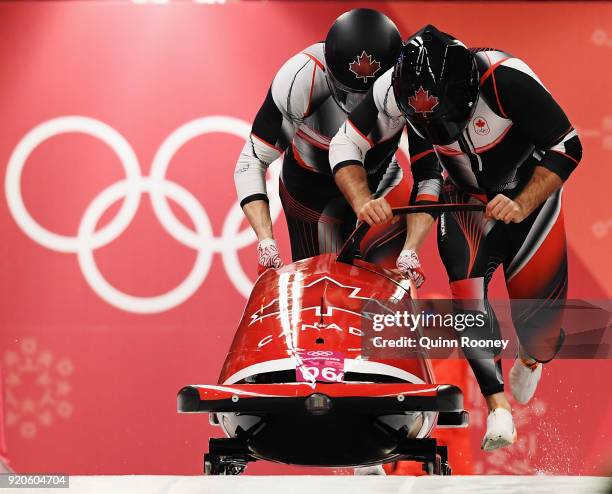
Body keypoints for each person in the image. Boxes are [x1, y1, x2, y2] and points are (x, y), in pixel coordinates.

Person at [329, 25, 581, 450]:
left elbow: (568, 147)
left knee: (541, 333)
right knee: (466, 294)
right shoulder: (392, 88)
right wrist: (360, 200)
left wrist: (522, 202)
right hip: (463, 199)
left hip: (529, 198)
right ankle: (498, 408)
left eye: (444, 116)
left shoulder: (506, 79)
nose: (436, 125)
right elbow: (344, 147)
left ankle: (532, 356)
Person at [234, 8, 408, 273]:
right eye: (348, 93)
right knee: (325, 286)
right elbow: (252, 160)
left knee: (381, 293)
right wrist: (265, 240)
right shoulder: (300, 78)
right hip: (312, 192)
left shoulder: (411, 79)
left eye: (371, 95)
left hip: (379, 182)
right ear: (329, 71)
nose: (359, 107)